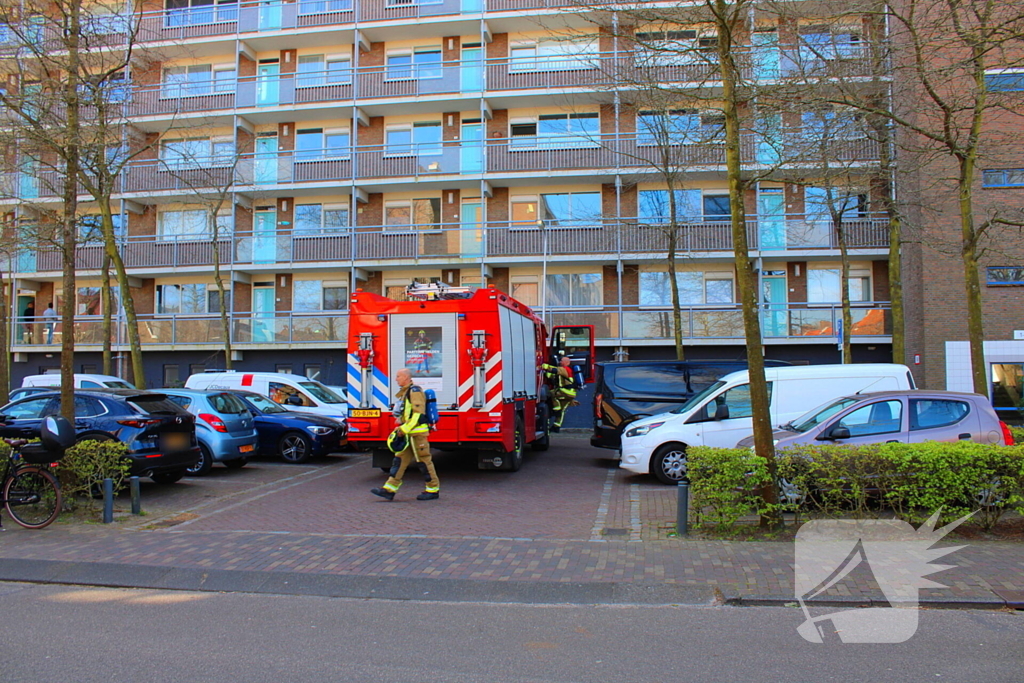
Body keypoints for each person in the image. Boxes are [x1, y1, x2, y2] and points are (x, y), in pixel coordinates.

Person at [371, 367, 440, 501]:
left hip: (416, 435)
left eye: (398, 376)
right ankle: (389, 489)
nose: (396, 379)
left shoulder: (415, 391)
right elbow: (407, 413)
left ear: (406, 378)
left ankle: (433, 489)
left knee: (424, 461)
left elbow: (418, 414)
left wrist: (404, 429)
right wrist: (401, 423)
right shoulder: (406, 392)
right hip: (409, 434)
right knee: (399, 461)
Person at [543, 355, 578, 433]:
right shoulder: (568, 370)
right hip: (571, 393)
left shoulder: (564, 369)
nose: (560, 362)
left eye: (561, 360)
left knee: (551, 393)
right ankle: (557, 426)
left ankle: (556, 408)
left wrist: (544, 366)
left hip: (565, 391)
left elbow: (555, 370)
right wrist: (547, 374)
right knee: (562, 411)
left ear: (566, 362)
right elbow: (553, 375)